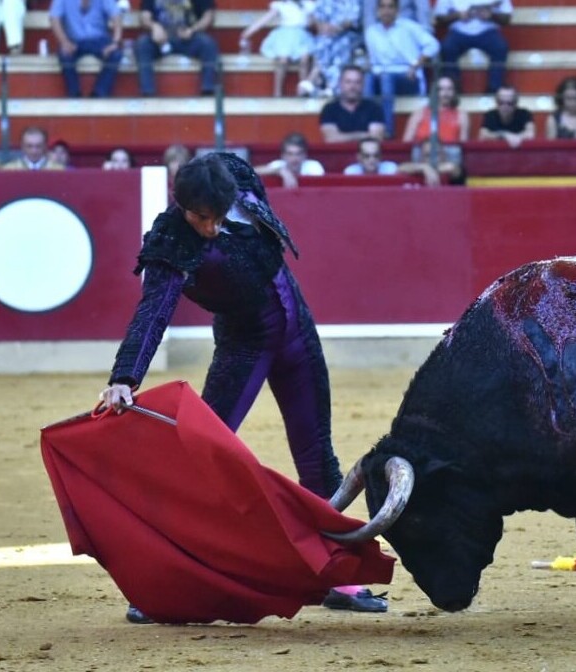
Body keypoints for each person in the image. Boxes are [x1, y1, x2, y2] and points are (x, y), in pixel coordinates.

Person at [97, 153, 387, 624]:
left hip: (298, 332)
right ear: (182, 206)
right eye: (200, 218)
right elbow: (154, 310)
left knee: (317, 455)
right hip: (244, 346)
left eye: (215, 216)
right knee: (199, 456)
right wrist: (125, 376)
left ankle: (339, 575)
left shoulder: (239, 180)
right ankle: (163, 580)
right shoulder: (172, 237)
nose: (209, 228)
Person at [363, 0, 439, 135]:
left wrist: (416, 65)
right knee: (368, 78)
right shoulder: (371, 32)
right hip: (381, 76)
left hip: (408, 76)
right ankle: (367, 128)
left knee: (386, 78)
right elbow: (373, 62)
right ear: (377, 11)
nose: (386, 11)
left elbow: (433, 45)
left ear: (397, 10)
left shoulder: (410, 27)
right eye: (383, 7)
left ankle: (387, 131)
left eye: (390, 7)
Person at [134, 0, 219, 97]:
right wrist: (154, 27)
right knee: (142, 44)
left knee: (208, 43)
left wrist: (192, 30)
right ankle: (148, 92)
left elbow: (208, 16)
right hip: (161, 40)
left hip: (188, 39)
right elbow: (144, 17)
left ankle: (208, 90)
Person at [239, 0, 316, 98]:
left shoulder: (307, 4)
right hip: (284, 35)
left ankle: (303, 90)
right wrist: (248, 32)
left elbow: (314, 21)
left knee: (304, 59)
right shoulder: (281, 5)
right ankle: (277, 92)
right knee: (283, 59)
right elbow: (264, 20)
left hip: (301, 36)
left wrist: (309, 18)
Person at [400, 75, 468, 185]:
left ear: (454, 92)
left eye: (449, 89)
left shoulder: (462, 115)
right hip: (421, 157)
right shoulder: (419, 113)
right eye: (441, 89)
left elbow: (463, 144)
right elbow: (406, 143)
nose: (445, 93)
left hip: (449, 158)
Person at [49, 0, 124, 99]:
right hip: (74, 39)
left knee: (116, 54)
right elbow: (54, 19)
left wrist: (115, 42)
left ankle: (99, 93)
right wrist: (64, 42)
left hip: (99, 39)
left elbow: (116, 16)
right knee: (64, 54)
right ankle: (74, 94)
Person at [433, 0, 511, 94]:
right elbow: (439, 18)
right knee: (447, 48)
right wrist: (457, 16)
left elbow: (507, 18)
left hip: (488, 31)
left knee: (500, 47)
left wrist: (492, 16)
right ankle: (453, 89)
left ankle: (495, 88)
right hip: (458, 31)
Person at [297, 0, 361, 97]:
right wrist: (323, 27)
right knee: (321, 44)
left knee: (340, 46)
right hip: (328, 34)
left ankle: (326, 85)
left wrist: (336, 28)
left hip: (348, 34)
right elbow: (317, 18)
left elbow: (352, 20)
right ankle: (320, 83)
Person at [319, 65, 387, 142]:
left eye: (357, 82)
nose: (352, 87)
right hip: (337, 154)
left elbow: (376, 138)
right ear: (340, 84)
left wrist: (343, 136)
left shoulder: (374, 108)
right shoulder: (329, 109)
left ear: (363, 85)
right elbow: (331, 139)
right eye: (348, 82)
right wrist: (362, 135)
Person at [255, 132, 325, 188]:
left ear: (305, 155)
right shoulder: (278, 165)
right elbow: (251, 171)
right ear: (283, 155)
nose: (294, 158)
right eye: (290, 154)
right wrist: (280, 170)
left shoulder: (314, 166)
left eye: (298, 154)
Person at [0, 126, 67, 171]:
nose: (34, 151)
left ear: (45, 146)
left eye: (38, 146)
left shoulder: (59, 170)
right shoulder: (9, 170)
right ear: (22, 146)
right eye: (29, 146)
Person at [362, 0, 430, 33]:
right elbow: (369, 13)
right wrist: (371, 36)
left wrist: (425, 31)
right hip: (383, 31)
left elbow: (423, 10)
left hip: (409, 30)